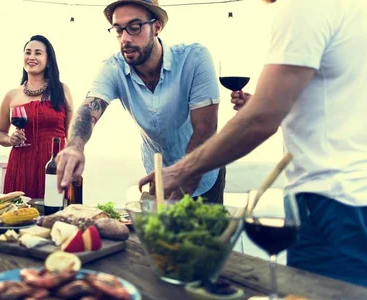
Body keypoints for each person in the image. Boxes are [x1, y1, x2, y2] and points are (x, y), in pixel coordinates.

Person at [139, 0, 367, 287]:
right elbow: (332, 109)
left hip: (331, 205)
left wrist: (180, 170)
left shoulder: (303, 6)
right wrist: (260, 106)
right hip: (350, 199)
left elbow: (262, 119)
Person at [55, 0, 224, 203]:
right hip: (158, 176)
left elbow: (205, 128)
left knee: (204, 234)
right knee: (159, 234)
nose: (125, 38)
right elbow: (89, 107)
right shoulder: (113, 67)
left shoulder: (195, 58)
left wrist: (182, 181)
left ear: (157, 27)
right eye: (118, 30)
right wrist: (75, 145)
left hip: (203, 172)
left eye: (134, 28)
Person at [0, 35, 73, 198]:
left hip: (54, 165)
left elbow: (71, 134)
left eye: (38, 53)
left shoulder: (61, 90)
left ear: (48, 60)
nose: (31, 57)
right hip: (21, 165)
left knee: (54, 216)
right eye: (28, 52)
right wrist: (10, 140)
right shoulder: (11, 95)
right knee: (17, 216)